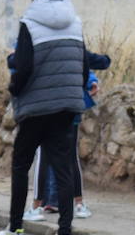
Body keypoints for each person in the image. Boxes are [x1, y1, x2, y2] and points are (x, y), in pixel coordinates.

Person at [0, 0, 85, 235]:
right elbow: (83, 64)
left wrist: (14, 89)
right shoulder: (75, 22)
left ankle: (15, 228)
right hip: (67, 105)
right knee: (63, 167)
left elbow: (23, 66)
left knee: (21, 165)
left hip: (36, 107)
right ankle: (65, 234)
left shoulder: (30, 22)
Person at [32, 48, 111, 220]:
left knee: (45, 156)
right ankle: (76, 204)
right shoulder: (72, 43)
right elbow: (90, 63)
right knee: (67, 156)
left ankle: (38, 207)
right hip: (69, 107)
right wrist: (91, 80)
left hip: (46, 108)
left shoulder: (40, 43)